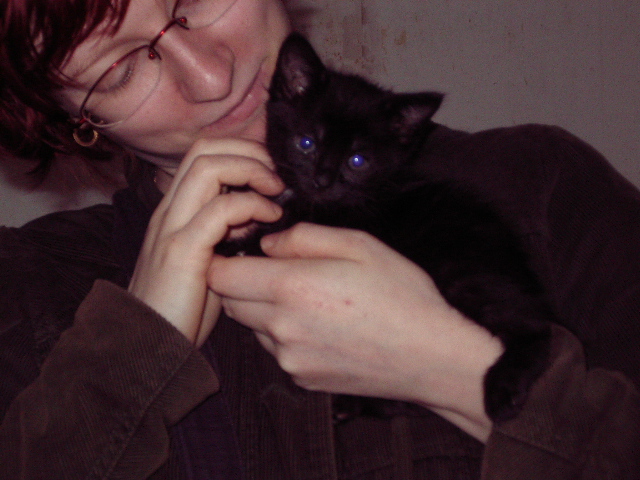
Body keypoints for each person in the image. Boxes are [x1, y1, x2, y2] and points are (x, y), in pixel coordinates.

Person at [0, 0, 639, 478]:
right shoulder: (27, 286)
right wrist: (127, 352)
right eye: (115, 74)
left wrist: (453, 370)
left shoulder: (540, 185)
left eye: (194, 1)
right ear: (68, 122)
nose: (210, 78)